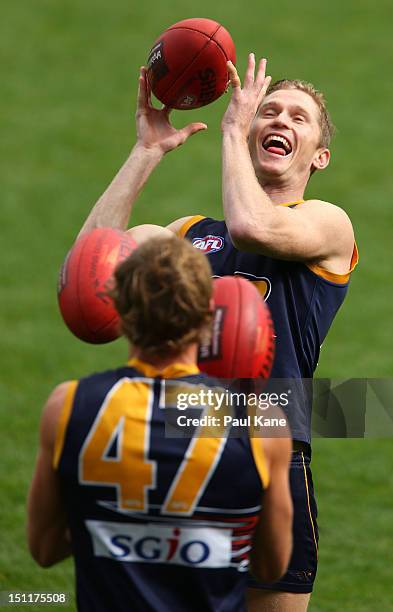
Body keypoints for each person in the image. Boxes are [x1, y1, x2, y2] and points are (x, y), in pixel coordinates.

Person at [73, 53, 358, 611]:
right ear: (251, 131)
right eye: (268, 111)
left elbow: (254, 227)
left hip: (268, 454)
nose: (280, 120)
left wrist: (233, 127)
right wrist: (145, 153)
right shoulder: (188, 235)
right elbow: (89, 273)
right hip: (177, 447)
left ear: (319, 156)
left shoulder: (328, 223)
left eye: (298, 118)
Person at [27, 236, 293, 612]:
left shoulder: (68, 405)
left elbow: (44, 548)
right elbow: (271, 565)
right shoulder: (258, 422)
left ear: (121, 311)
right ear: (208, 318)